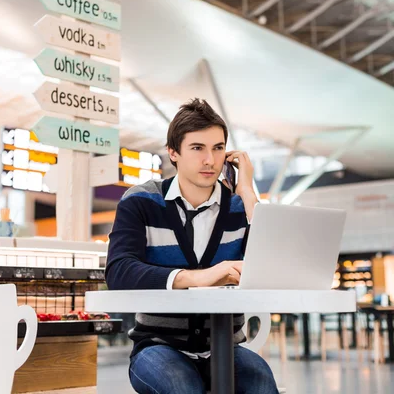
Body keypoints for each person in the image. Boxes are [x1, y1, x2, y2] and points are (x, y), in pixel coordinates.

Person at [106, 99, 278, 394]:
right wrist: (198, 277)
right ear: (173, 152)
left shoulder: (240, 208)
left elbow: (269, 266)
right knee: (182, 386)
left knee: (261, 381)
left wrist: (248, 192)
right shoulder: (141, 201)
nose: (210, 160)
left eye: (218, 148)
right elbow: (119, 271)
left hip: (227, 347)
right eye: (198, 148)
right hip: (158, 347)